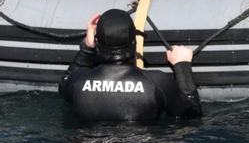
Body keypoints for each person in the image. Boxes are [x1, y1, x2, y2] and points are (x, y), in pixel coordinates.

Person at [59, 9, 202, 122]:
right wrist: (182, 66)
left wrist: (87, 48)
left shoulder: (77, 81)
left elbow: (63, 84)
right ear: (134, 42)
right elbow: (191, 113)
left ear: (97, 42)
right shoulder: (158, 82)